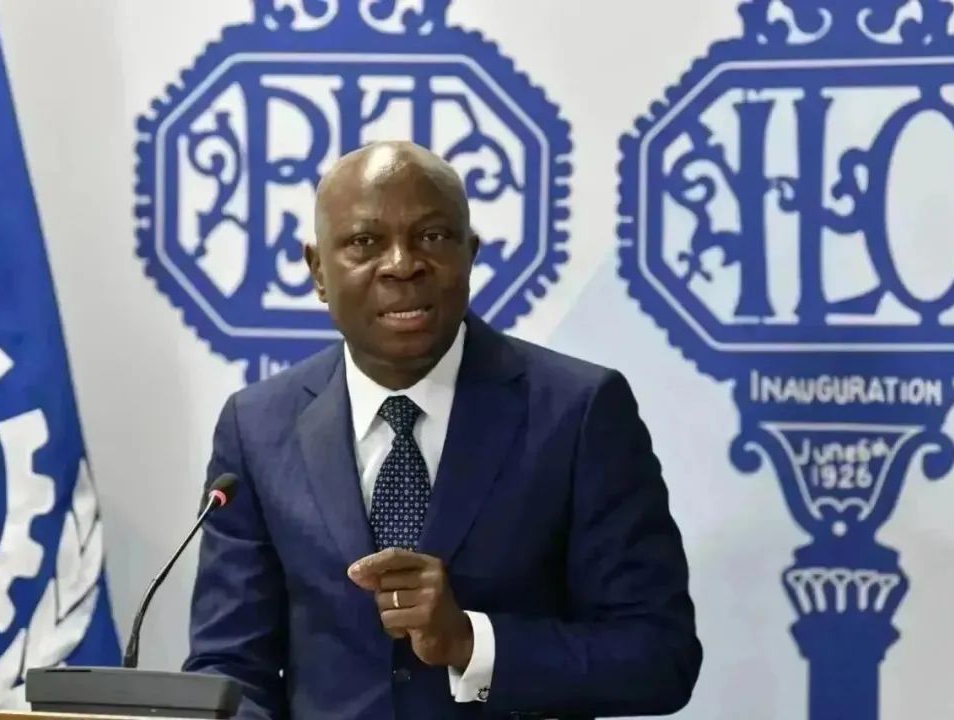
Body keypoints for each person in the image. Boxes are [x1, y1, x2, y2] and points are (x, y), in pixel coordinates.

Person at [183, 141, 702, 719]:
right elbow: (231, 667)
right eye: (364, 242)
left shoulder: (578, 413)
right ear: (318, 271)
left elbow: (659, 656)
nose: (402, 264)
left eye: (432, 236)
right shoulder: (257, 426)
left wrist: (471, 643)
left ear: (470, 253)